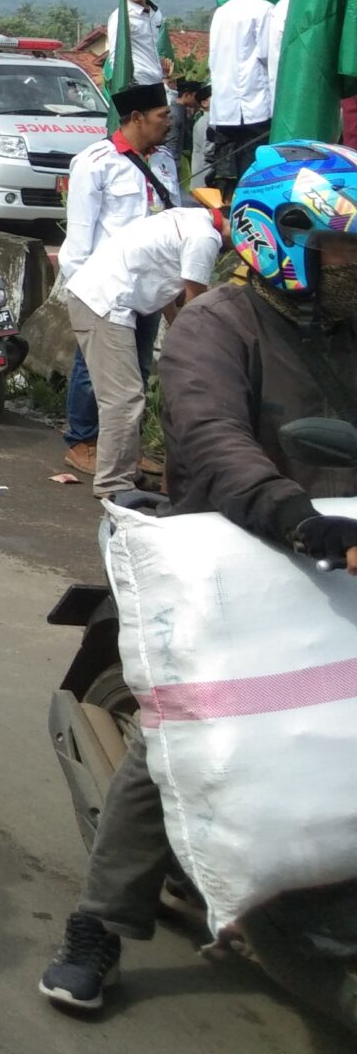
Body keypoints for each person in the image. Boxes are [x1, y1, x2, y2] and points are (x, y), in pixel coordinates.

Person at [39, 140, 357, 1015]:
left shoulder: (347, 331)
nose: (349, 267)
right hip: (239, 559)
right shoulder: (217, 327)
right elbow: (214, 445)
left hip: (341, 559)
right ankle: (97, 926)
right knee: (177, 739)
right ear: (278, 237)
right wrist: (299, 516)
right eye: (339, 251)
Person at [63, 187, 222, 502]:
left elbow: (166, 289)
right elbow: (196, 300)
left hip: (99, 297)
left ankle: (126, 473)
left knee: (126, 395)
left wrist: (178, 325)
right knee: (124, 398)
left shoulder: (184, 218)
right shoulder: (205, 238)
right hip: (105, 303)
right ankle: (114, 484)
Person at [57, 84, 180, 476]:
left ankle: (126, 446)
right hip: (105, 289)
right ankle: (83, 442)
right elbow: (79, 236)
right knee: (93, 370)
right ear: (137, 118)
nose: (170, 122)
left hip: (150, 287)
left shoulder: (164, 162)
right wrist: (82, 294)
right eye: (162, 115)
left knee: (138, 369)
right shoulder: (95, 162)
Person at [206, 0, 285, 193]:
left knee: (226, 175)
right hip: (254, 106)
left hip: (225, 108)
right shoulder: (264, 11)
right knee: (254, 175)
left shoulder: (222, 12)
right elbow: (267, 55)